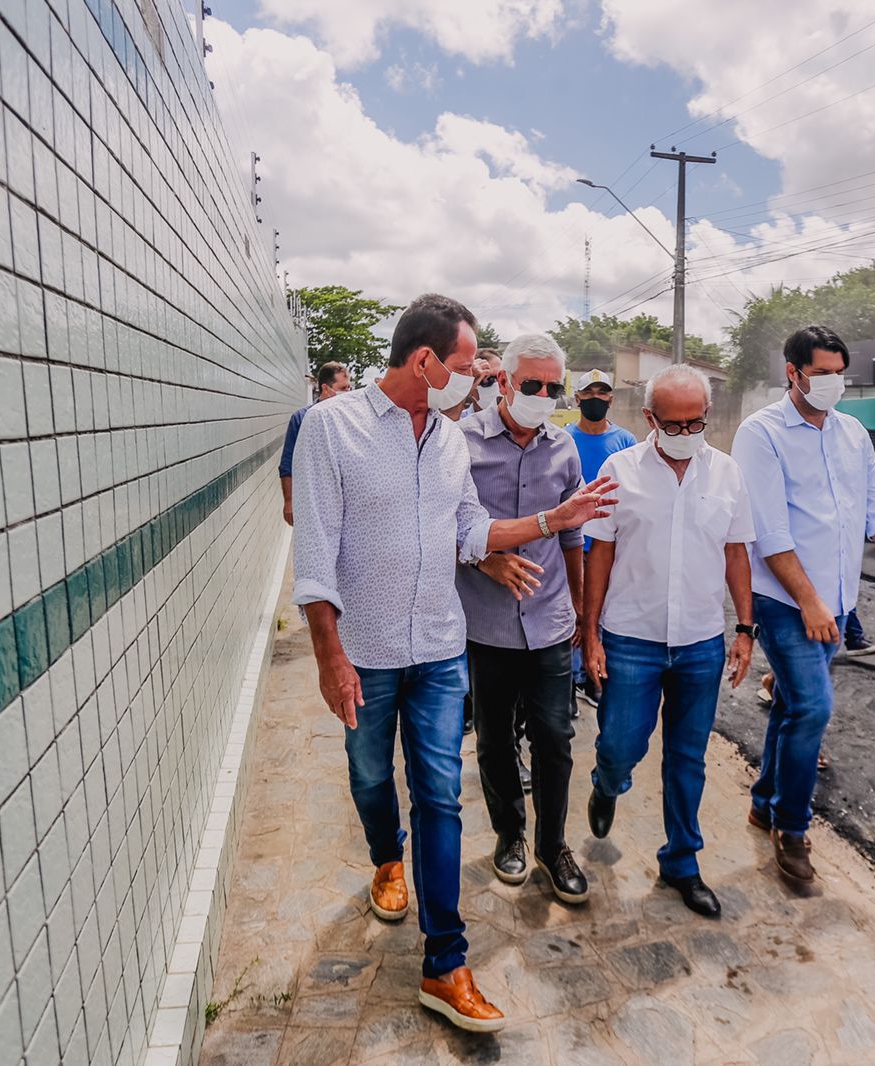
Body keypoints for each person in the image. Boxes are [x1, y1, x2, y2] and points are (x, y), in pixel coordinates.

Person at [291, 293, 616, 1034]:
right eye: (469, 367)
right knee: (373, 777)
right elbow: (313, 559)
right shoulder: (329, 429)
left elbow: (470, 528)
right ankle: (384, 858)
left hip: (439, 650)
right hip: (366, 654)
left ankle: (445, 963)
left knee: (439, 796)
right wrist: (329, 657)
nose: (477, 381)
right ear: (425, 360)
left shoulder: (445, 439)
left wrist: (550, 522)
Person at [732, 325, 875, 885]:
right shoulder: (761, 433)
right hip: (784, 602)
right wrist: (812, 603)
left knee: (795, 706)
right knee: (814, 709)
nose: (832, 383)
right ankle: (791, 829)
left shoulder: (853, 434)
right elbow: (769, 535)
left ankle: (765, 800)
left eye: (838, 373)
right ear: (792, 373)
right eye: (820, 374)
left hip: (837, 602)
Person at [582, 365, 756, 917]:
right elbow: (600, 554)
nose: (686, 433)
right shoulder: (619, 470)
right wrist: (589, 633)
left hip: (700, 641)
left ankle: (682, 860)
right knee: (619, 746)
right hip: (631, 637)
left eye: (696, 422)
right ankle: (607, 784)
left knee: (688, 757)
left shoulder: (726, 474)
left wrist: (746, 630)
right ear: (650, 418)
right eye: (674, 423)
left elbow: (736, 553)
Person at [457, 333, 590, 904]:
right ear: (504, 381)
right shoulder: (459, 443)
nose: (542, 394)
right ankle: (509, 833)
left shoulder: (563, 448)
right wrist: (486, 560)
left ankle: (552, 842)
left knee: (555, 739)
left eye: (553, 386)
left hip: (550, 620)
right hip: (486, 623)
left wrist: (582, 609)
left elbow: (573, 534)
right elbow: (441, 524)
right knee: (492, 739)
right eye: (531, 384)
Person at [565, 369, 637, 708]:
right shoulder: (562, 438)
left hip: (609, 544)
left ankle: (594, 673)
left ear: (611, 397)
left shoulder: (626, 441)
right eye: (589, 392)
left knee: (602, 610)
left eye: (603, 392)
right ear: (577, 398)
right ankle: (571, 678)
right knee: (571, 612)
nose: (596, 398)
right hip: (572, 543)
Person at [278, 361, 350, 524]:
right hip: (311, 503)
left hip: (344, 503)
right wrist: (289, 501)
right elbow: (287, 464)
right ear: (326, 388)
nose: (348, 392)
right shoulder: (302, 418)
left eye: (349, 388)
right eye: (343, 388)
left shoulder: (349, 419)